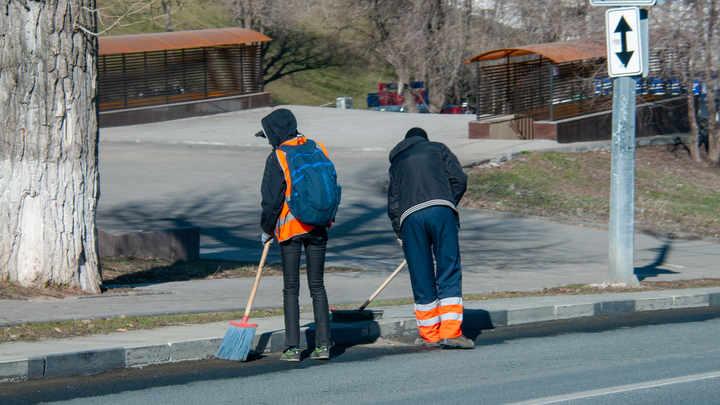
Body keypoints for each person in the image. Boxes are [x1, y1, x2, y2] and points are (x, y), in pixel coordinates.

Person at [387, 127, 473, 349]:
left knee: (420, 273)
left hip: (410, 219)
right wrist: (446, 201)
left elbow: (394, 202)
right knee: (448, 267)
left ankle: (430, 335)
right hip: (441, 211)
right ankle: (451, 333)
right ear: (424, 139)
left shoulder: (396, 163)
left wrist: (400, 232)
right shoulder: (438, 148)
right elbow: (459, 179)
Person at [257, 108, 333, 361]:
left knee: (291, 288)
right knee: (317, 286)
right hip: (319, 226)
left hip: (290, 228)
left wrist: (267, 229)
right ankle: (323, 346)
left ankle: (292, 348)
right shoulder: (317, 146)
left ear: (275, 132)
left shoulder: (278, 155)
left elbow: (271, 200)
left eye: (268, 135)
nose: (268, 140)